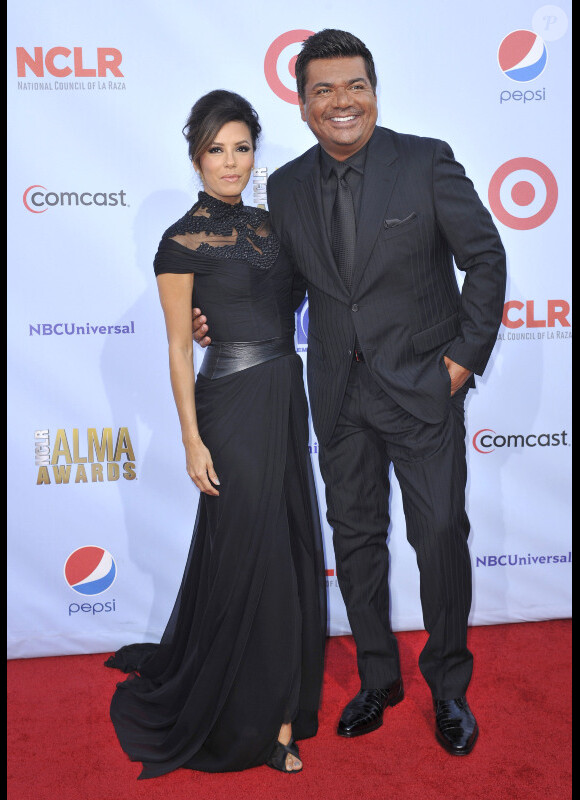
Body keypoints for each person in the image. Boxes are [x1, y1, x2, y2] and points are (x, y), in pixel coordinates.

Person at [193, 30, 506, 756]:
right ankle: (377, 679)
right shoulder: (290, 184)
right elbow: (287, 286)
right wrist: (225, 320)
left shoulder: (425, 161)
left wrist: (459, 364)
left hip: (425, 390)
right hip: (338, 395)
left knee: (437, 539)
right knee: (357, 543)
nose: (342, 101)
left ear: (374, 91)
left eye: (354, 86)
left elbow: (484, 261)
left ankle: (449, 689)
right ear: (302, 106)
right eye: (323, 90)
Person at [105, 89, 326, 778]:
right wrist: (191, 439)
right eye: (215, 150)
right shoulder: (181, 240)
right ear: (196, 157)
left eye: (241, 147)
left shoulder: (275, 225)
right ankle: (255, 720)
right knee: (249, 556)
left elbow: (284, 301)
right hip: (229, 406)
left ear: (254, 152)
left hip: (284, 398)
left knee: (288, 550)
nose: (230, 162)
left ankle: (284, 705)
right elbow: (178, 348)